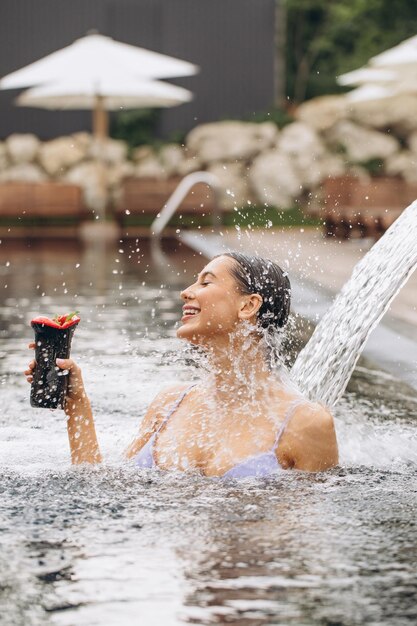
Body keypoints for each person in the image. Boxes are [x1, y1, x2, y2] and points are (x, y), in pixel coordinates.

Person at [25, 253, 338, 477]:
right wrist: (77, 405)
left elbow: (306, 542)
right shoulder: (170, 403)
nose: (186, 292)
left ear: (248, 305)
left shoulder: (305, 423)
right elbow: (99, 491)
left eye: (206, 282)